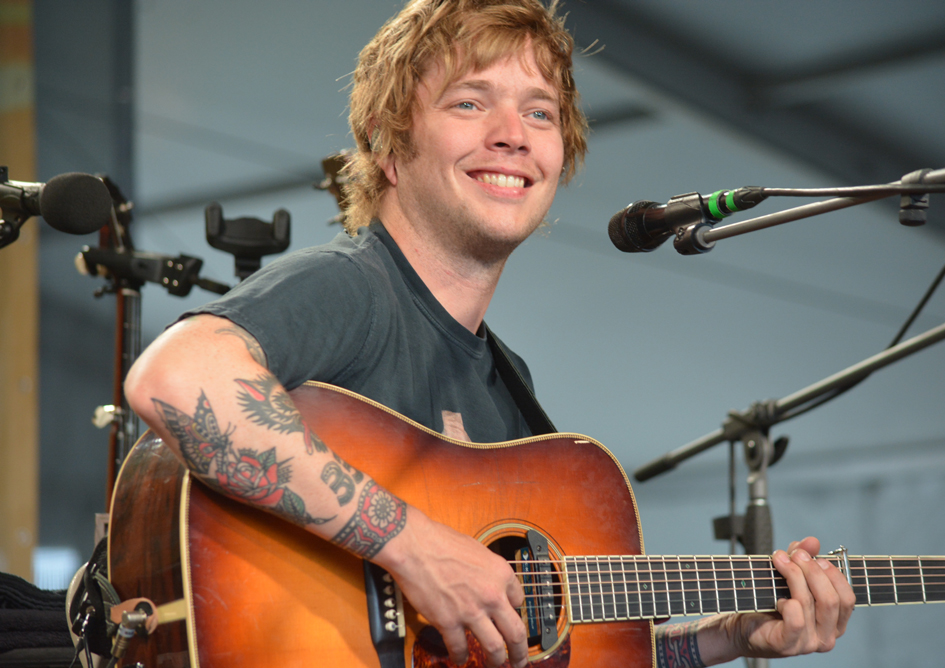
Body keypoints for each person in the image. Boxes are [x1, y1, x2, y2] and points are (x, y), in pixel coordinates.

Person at [124, 1, 855, 666]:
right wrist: (414, 548)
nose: (511, 136)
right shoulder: (354, 287)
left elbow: (539, 643)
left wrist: (726, 637)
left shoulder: (509, 390)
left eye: (539, 115)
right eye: (470, 103)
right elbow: (177, 377)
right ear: (387, 142)